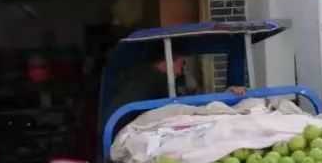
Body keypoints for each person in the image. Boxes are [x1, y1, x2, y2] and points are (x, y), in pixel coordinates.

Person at [101, 53, 245, 135]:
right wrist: (220, 99)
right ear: (168, 59)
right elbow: (181, 107)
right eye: (182, 64)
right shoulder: (155, 80)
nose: (180, 72)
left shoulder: (141, 75)